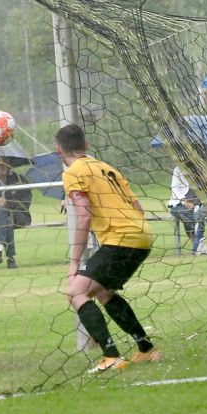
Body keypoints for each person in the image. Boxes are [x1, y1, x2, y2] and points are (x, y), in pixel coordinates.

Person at [56, 124, 160, 372]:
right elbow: (138, 207)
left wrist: (73, 264)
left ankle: (111, 356)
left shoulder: (73, 172)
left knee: (76, 292)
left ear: (59, 150)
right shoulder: (107, 168)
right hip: (142, 235)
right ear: (87, 145)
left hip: (121, 238)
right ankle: (147, 350)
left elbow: (83, 215)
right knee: (104, 292)